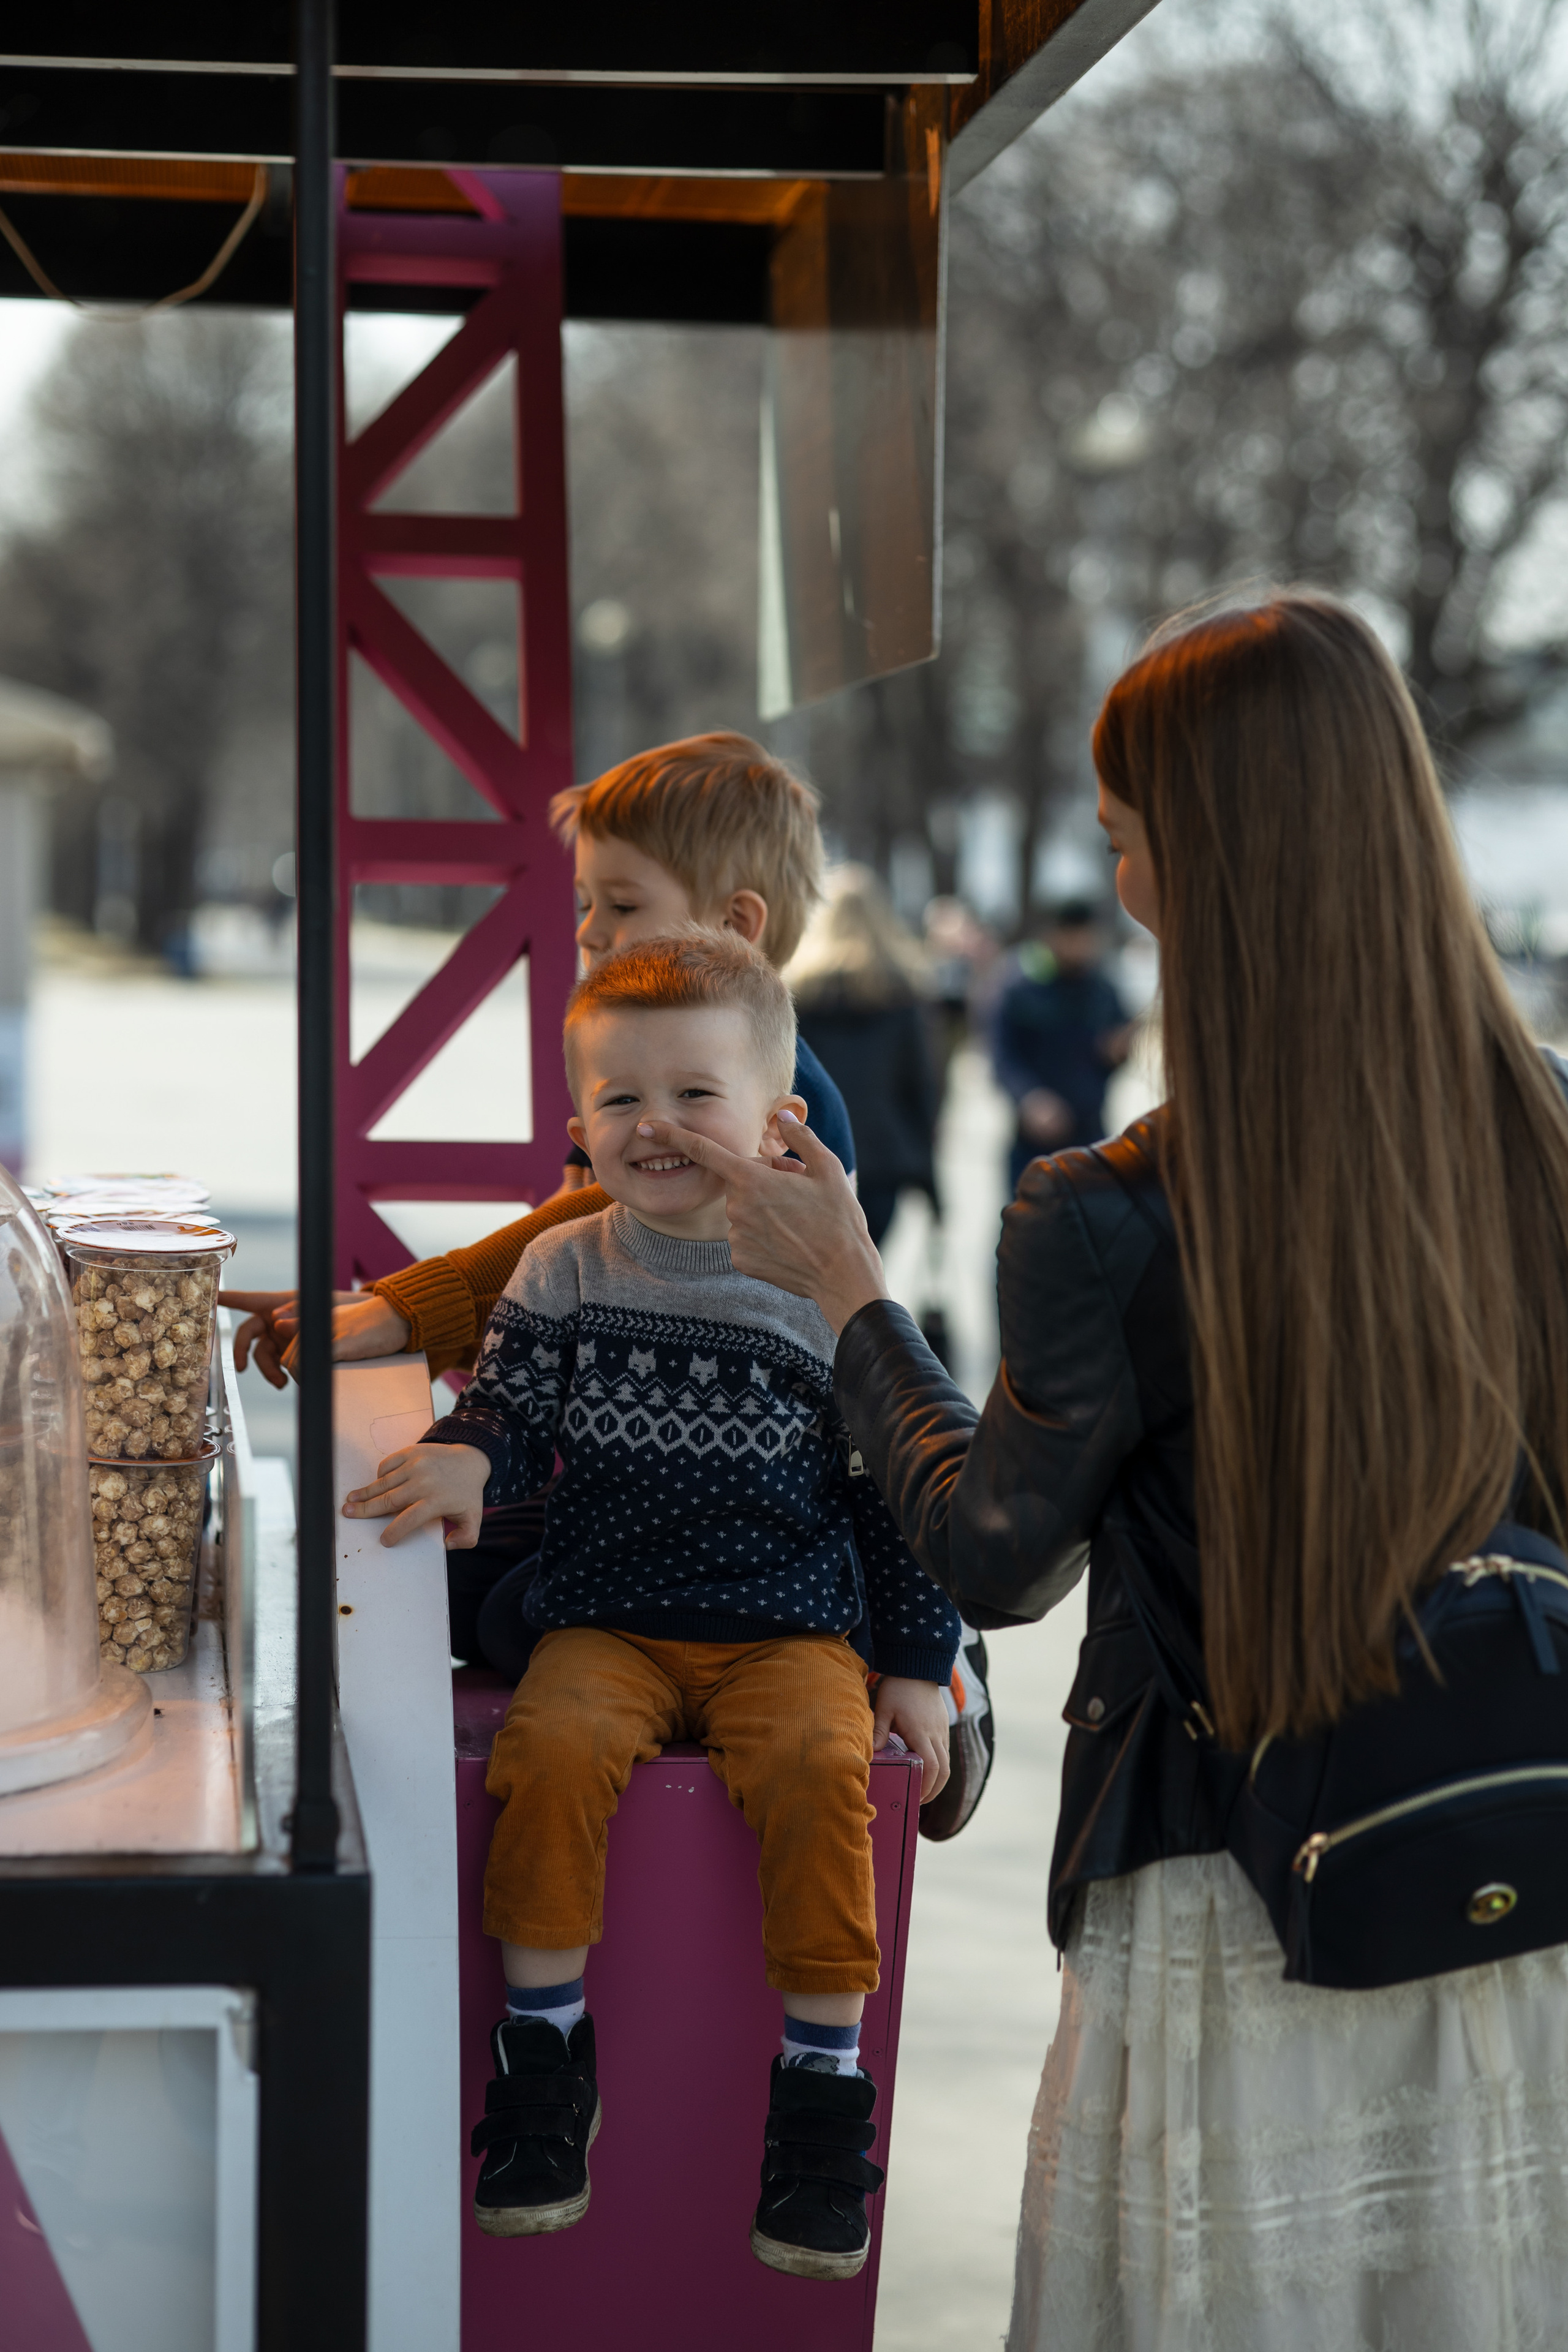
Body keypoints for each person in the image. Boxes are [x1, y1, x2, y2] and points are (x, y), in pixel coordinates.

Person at [627, 593, 1568, 2348]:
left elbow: (997, 1559)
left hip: (1238, 1917)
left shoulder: (1115, 1216)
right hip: (1503, 1902)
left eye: (1131, 841)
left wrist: (850, 1302)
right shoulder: (1548, 1134)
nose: (1121, 883)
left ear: (1205, 863)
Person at [339, 931, 959, 2275]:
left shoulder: (819, 1291)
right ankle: (546, 2058)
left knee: (819, 1769)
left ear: (777, 1119)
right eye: (622, 1101)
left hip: (786, 1629)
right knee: (545, 1755)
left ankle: (818, 2093)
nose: (657, 1126)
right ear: (578, 1126)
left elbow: (887, 1494)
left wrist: (913, 1661)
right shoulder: (565, 1267)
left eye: (696, 1095)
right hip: (605, 1621)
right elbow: (508, 1402)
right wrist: (467, 1450)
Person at [789, 865, 941, 1248]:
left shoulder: (794, 994)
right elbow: (920, 1087)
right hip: (882, 1158)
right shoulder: (903, 992)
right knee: (863, 1275)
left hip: (807, 1153)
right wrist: (929, 1176)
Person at [992, 897, 1131, 1193]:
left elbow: (1116, 1048)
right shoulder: (1022, 987)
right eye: (1072, 936)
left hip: (1090, 1132)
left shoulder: (1103, 990)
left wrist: (1119, 1052)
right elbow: (1003, 1056)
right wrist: (1029, 1099)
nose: (1080, 945)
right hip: (1034, 1139)